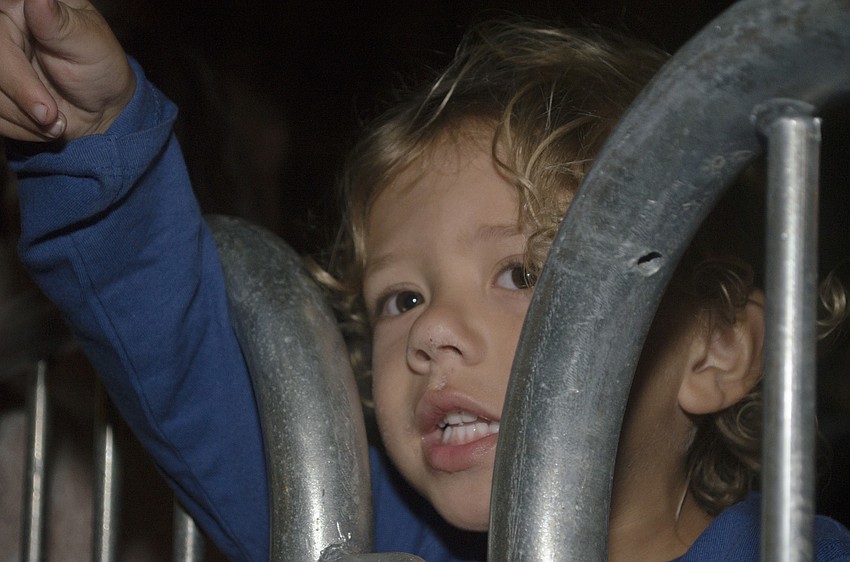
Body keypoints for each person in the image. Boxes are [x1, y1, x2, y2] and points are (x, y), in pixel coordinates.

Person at [2, 0, 849, 560]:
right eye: (401, 300)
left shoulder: (790, 550)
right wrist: (89, 141)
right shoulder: (363, 528)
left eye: (520, 273)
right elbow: (192, 366)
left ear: (720, 348)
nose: (431, 333)